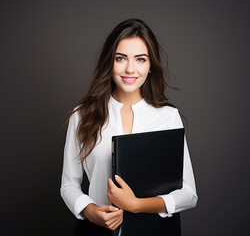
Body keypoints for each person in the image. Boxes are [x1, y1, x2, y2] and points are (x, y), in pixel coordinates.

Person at [60, 18, 198, 235]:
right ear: (109, 62)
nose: (130, 69)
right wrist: (90, 210)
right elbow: (69, 185)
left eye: (141, 59)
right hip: (95, 231)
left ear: (151, 65)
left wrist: (135, 205)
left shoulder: (168, 117)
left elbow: (189, 194)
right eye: (121, 58)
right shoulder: (83, 115)